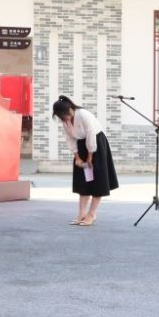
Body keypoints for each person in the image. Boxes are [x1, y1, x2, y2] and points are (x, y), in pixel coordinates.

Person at [53, 96, 118, 225]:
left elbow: (91, 135)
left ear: (70, 110)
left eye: (65, 116)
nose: (65, 120)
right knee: (83, 181)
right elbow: (69, 138)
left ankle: (91, 214)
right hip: (81, 146)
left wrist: (90, 156)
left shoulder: (84, 115)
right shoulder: (65, 120)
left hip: (96, 144)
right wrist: (77, 157)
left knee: (98, 180)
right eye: (62, 118)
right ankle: (81, 213)